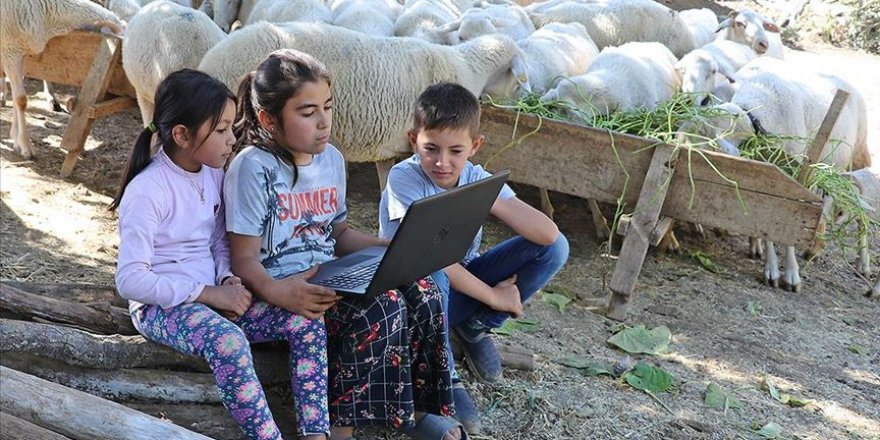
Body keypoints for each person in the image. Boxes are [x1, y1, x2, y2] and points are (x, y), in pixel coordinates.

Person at [224, 49, 467, 440]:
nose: (324, 122)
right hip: (285, 288)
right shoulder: (253, 167)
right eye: (307, 112)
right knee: (382, 307)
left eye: (328, 107)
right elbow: (243, 258)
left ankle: (419, 410)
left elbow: (336, 233)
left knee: (423, 289)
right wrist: (278, 292)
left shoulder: (332, 159)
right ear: (269, 119)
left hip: (330, 275)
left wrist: (391, 249)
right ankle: (340, 429)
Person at [112, 69, 329, 440]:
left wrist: (228, 278)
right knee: (228, 341)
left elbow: (216, 240)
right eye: (221, 130)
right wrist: (208, 294)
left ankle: (316, 434)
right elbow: (130, 280)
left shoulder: (212, 173)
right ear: (182, 134)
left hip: (212, 293)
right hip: (161, 306)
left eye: (231, 127)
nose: (232, 139)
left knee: (305, 323)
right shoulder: (148, 191)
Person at [379, 82, 569, 395]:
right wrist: (494, 297)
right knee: (435, 269)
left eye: (456, 151)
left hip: (460, 289)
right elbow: (428, 258)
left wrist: (483, 197)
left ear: (475, 146)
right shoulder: (404, 178)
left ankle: (472, 327)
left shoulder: (474, 176)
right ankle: (443, 374)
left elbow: (548, 234)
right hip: (414, 299)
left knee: (555, 248)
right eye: (431, 149)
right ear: (414, 140)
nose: (443, 162)